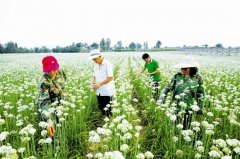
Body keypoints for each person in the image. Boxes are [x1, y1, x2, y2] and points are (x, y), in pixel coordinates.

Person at [159, 56, 204, 130]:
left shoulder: (198, 78)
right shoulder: (177, 77)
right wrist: (161, 98)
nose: (181, 69)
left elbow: (201, 94)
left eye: (183, 68)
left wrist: (200, 107)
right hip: (176, 107)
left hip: (190, 108)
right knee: (174, 128)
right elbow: (167, 88)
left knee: (187, 128)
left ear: (190, 68)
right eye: (182, 68)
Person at [37, 55, 66, 137]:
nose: (52, 72)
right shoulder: (44, 82)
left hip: (60, 103)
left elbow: (63, 84)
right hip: (48, 105)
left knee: (61, 126)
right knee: (50, 130)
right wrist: (49, 119)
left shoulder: (61, 72)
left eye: (54, 69)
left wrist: (63, 93)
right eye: (49, 70)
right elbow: (44, 101)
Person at [88, 49, 115, 117]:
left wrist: (99, 84)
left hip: (107, 91)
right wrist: (93, 82)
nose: (94, 60)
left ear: (99, 56)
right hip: (99, 91)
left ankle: (109, 123)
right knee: (101, 108)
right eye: (93, 59)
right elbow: (94, 75)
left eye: (95, 59)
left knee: (108, 109)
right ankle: (104, 122)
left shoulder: (107, 64)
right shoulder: (95, 64)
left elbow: (110, 77)